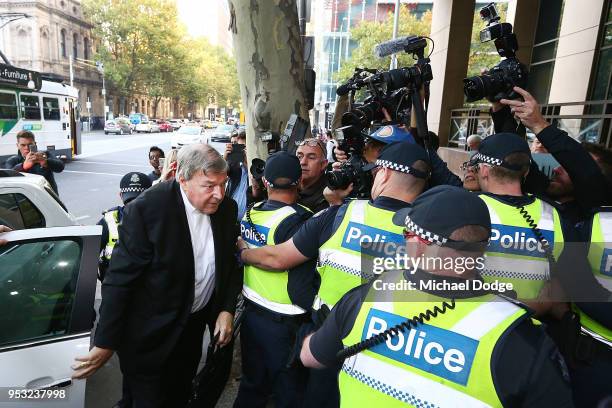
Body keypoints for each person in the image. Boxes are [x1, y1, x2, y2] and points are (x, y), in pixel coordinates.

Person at [299, 185, 573, 407]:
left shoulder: (367, 296)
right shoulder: (525, 339)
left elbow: (310, 357)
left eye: (406, 234)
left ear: (419, 246)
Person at [238, 142, 431, 408]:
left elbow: (278, 258)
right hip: (400, 347)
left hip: (328, 341)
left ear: (383, 174)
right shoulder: (435, 235)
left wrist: (243, 253)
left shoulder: (339, 214)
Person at [72, 144, 242, 408]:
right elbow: (119, 281)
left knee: (179, 396)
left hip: (191, 334)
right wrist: (105, 343)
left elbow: (230, 265)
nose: (219, 194)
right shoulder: (146, 210)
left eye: (223, 184)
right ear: (183, 180)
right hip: (148, 339)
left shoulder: (227, 209)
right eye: (209, 185)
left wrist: (226, 309)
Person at [234, 151, 316, 408]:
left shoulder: (252, 212)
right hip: (286, 323)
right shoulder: (304, 219)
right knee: (288, 393)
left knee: (252, 384)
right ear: (299, 181)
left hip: (251, 315)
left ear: (265, 182)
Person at [468, 132, 566, 307]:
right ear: (526, 172)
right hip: (534, 327)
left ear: (483, 170)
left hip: (476, 324)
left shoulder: (465, 207)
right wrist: (540, 306)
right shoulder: (554, 215)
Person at [499, 86, 612, 224]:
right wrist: (500, 106)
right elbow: (514, 152)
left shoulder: (593, 212)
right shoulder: (540, 191)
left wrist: (538, 124)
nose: (556, 169)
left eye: (569, 168)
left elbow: (582, 166)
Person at [97, 172, 152, 281]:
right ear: (121, 196)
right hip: (115, 286)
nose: (134, 206)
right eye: (130, 201)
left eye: (138, 201)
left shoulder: (161, 218)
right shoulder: (109, 220)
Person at [4, 130, 64, 194]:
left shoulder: (44, 155)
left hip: (48, 196)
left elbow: (60, 167)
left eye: (30, 145)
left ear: (35, 144)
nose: (26, 148)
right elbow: (8, 178)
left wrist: (46, 162)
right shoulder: (12, 160)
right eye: (23, 145)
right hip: (28, 199)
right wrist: (23, 166)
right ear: (18, 145)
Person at [296, 138, 329, 213]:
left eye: (311, 157)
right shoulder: (288, 186)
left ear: (323, 164)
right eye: (299, 157)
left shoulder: (329, 195)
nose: (303, 162)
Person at [225, 130, 250, 221]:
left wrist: (246, 160)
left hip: (248, 220)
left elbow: (253, 177)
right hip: (231, 217)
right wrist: (225, 157)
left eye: (243, 148)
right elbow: (220, 174)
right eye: (238, 147)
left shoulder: (256, 163)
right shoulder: (233, 164)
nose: (240, 151)